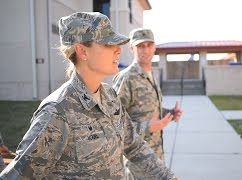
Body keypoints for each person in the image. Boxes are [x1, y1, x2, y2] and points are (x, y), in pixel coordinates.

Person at [0, 12, 177, 179]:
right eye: (108, 44)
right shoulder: (57, 112)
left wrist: (167, 177)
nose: (118, 50)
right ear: (82, 51)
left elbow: (134, 145)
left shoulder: (110, 96)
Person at [112, 28, 183, 179]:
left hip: (156, 158)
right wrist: (147, 127)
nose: (146, 50)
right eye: (140, 46)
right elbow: (112, 123)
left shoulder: (151, 74)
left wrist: (170, 113)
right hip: (138, 163)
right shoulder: (126, 78)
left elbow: (148, 111)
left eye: (149, 45)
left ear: (155, 47)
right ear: (132, 49)